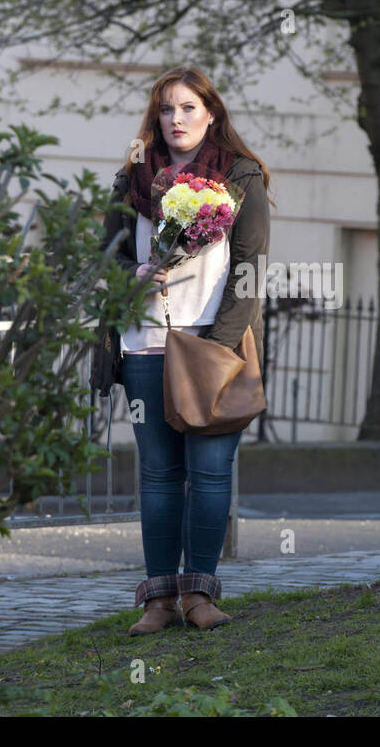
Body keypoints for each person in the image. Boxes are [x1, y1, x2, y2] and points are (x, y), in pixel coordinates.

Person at [98, 66, 272, 634]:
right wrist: (133, 273)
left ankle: (200, 594)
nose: (177, 119)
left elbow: (249, 270)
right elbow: (106, 255)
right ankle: (159, 600)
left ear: (211, 113)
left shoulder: (240, 176)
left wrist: (218, 348)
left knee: (212, 473)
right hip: (145, 343)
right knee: (158, 475)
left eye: (189, 108)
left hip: (211, 345)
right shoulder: (132, 177)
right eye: (167, 109)